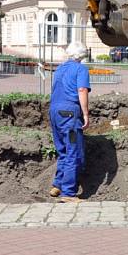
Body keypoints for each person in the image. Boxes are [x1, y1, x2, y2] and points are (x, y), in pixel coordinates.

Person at [49, 41, 91, 202]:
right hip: (69, 115)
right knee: (74, 151)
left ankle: (57, 185)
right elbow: (82, 90)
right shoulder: (81, 69)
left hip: (54, 112)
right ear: (82, 56)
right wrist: (85, 114)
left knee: (63, 150)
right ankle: (68, 193)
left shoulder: (60, 68)